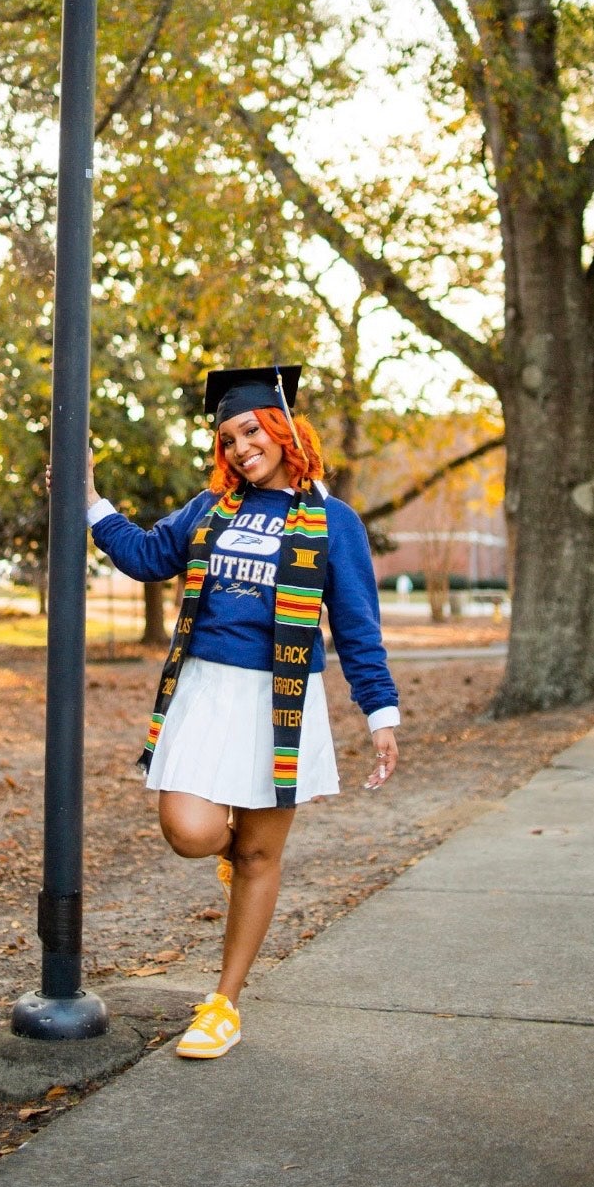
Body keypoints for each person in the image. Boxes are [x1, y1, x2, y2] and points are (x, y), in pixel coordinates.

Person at [86, 364, 400, 1061]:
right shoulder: (209, 509)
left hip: (280, 700)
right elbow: (144, 555)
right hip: (205, 691)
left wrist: (380, 712)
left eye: (249, 430)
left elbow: (355, 624)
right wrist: (89, 502)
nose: (237, 447)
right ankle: (230, 859)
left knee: (260, 852)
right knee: (190, 828)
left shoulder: (331, 522)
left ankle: (223, 1002)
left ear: (283, 428)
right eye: (226, 437)